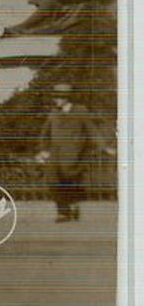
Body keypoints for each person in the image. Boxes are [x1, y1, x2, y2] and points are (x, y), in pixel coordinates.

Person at [37, 83, 110, 222]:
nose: (56, 100)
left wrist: (104, 146)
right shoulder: (53, 113)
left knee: (71, 181)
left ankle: (73, 205)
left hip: (75, 154)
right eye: (55, 97)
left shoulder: (80, 111)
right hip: (55, 154)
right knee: (53, 181)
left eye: (59, 97)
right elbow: (45, 133)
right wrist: (43, 150)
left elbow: (92, 130)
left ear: (67, 98)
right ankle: (63, 212)